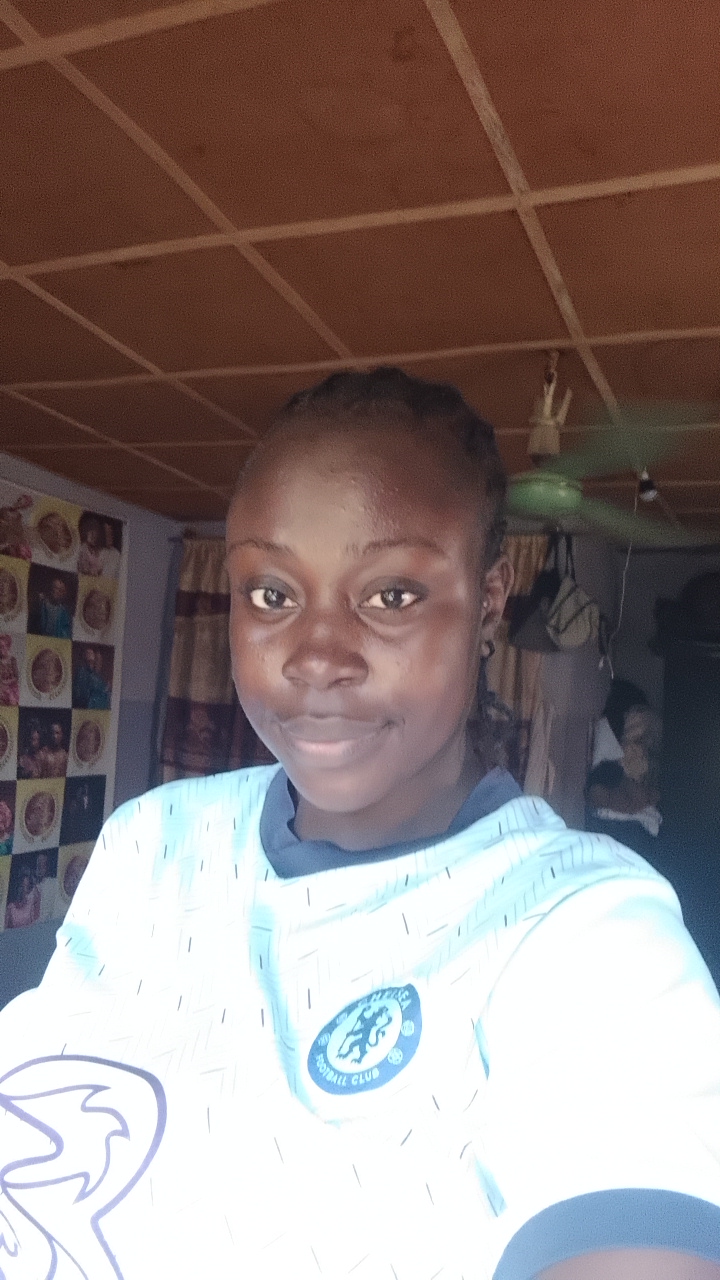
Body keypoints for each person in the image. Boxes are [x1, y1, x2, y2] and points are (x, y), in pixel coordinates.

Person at [0, 369, 718, 1280]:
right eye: (271, 594)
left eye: (392, 596)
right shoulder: (153, 836)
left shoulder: (584, 928)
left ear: (491, 599)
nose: (316, 657)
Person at [72, 645, 111, 710]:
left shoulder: (98, 678)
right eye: (91, 661)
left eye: (100, 661)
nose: (98, 663)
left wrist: (106, 689)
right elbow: (82, 696)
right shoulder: (82, 672)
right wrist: (104, 690)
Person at [0, 632, 20, 705]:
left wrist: (7, 683)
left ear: (7, 646)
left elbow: (16, 677)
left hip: (12, 689)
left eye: (2, 646)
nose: (1, 649)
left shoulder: (12, 660)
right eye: (0, 647)